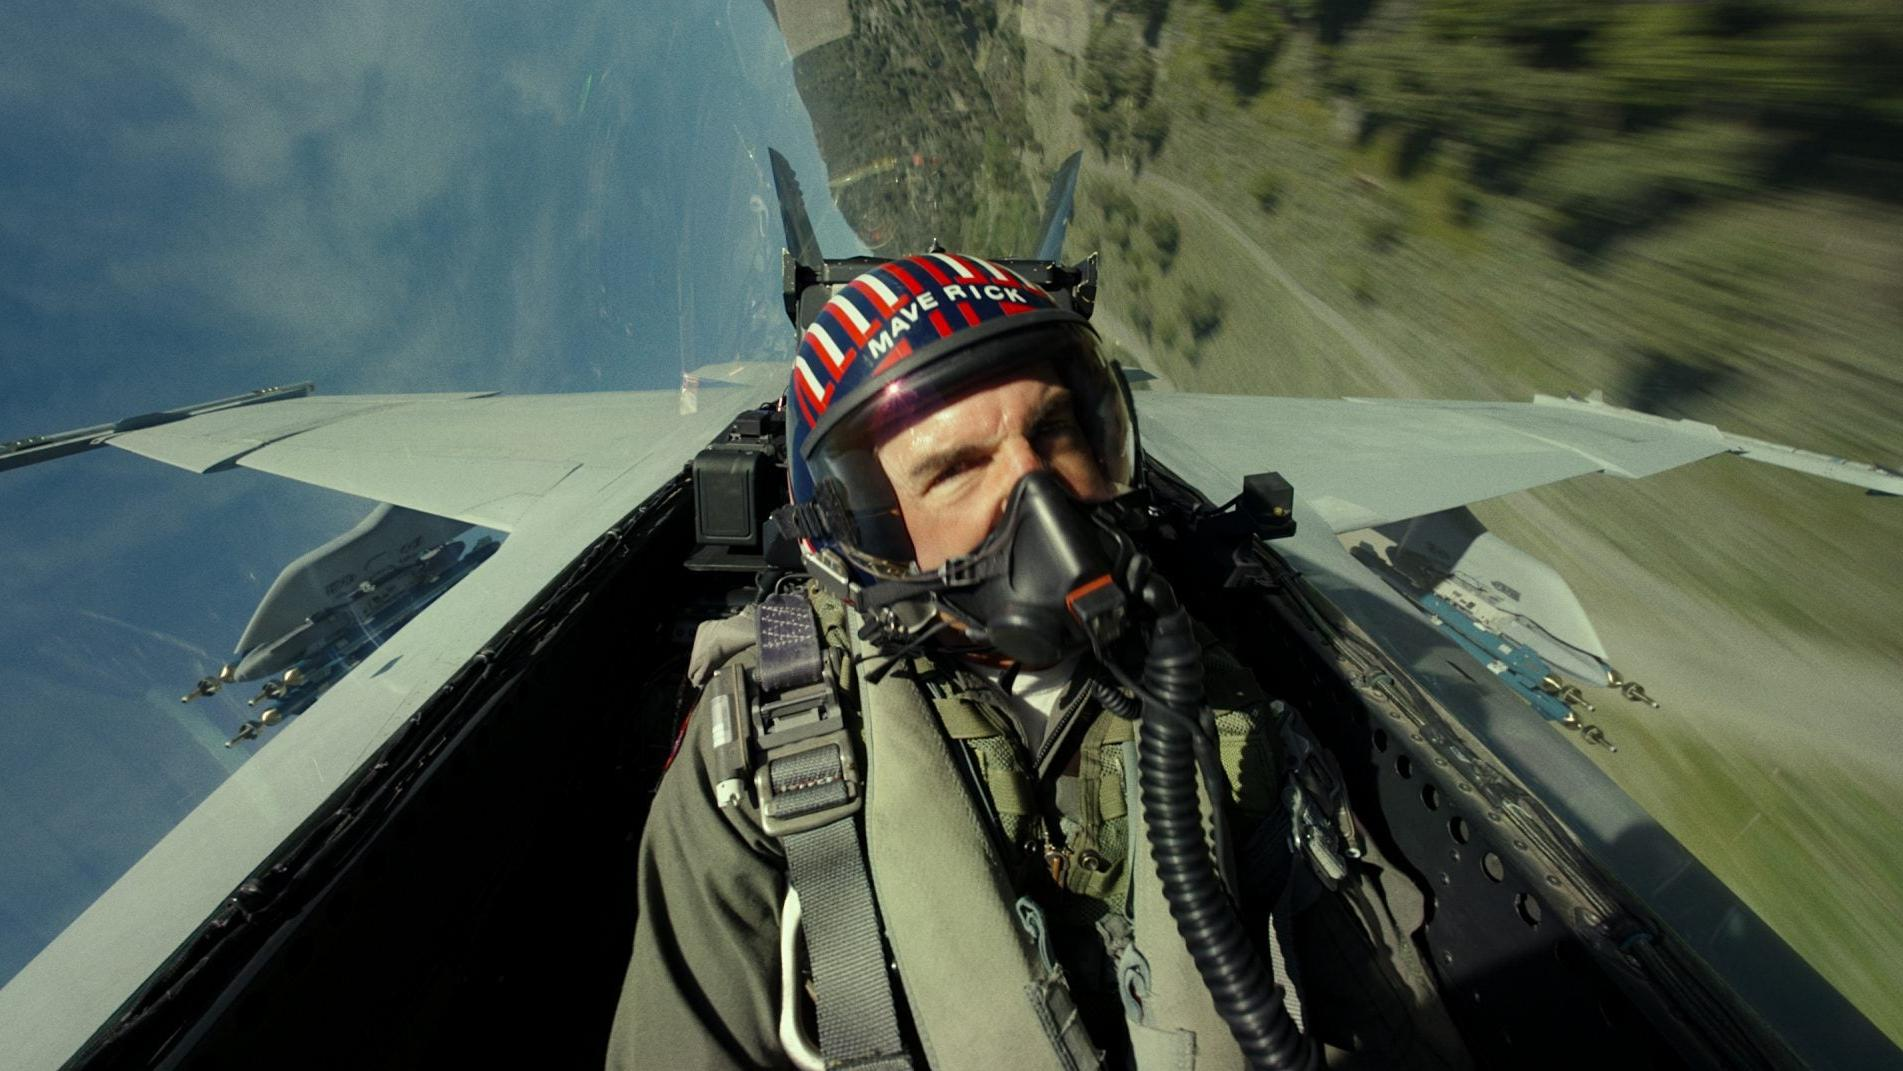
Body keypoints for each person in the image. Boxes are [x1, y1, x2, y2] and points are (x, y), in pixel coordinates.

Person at [607, 254, 1306, 1071]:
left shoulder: (1213, 669)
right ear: (865, 528)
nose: (1039, 494)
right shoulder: (757, 753)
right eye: (955, 468)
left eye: (1054, 430)